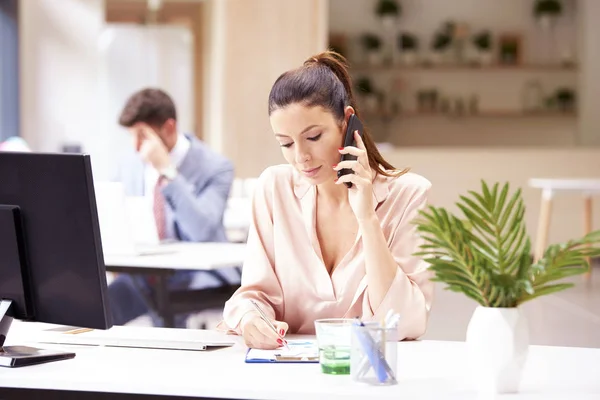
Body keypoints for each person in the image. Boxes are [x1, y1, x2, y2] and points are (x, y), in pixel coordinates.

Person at [219, 51, 434, 349]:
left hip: (367, 377)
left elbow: (405, 323)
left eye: (314, 136)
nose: (300, 157)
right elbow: (254, 295)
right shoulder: (274, 188)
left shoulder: (408, 194)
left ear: (347, 123)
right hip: (286, 375)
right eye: (285, 143)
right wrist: (251, 320)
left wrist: (368, 219)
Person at [108, 88, 239, 327]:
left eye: (143, 136)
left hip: (198, 276)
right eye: (131, 136)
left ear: (168, 128)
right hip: (145, 275)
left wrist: (167, 170)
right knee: (102, 305)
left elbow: (202, 230)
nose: (136, 147)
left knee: (165, 305)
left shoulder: (216, 167)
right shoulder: (129, 165)